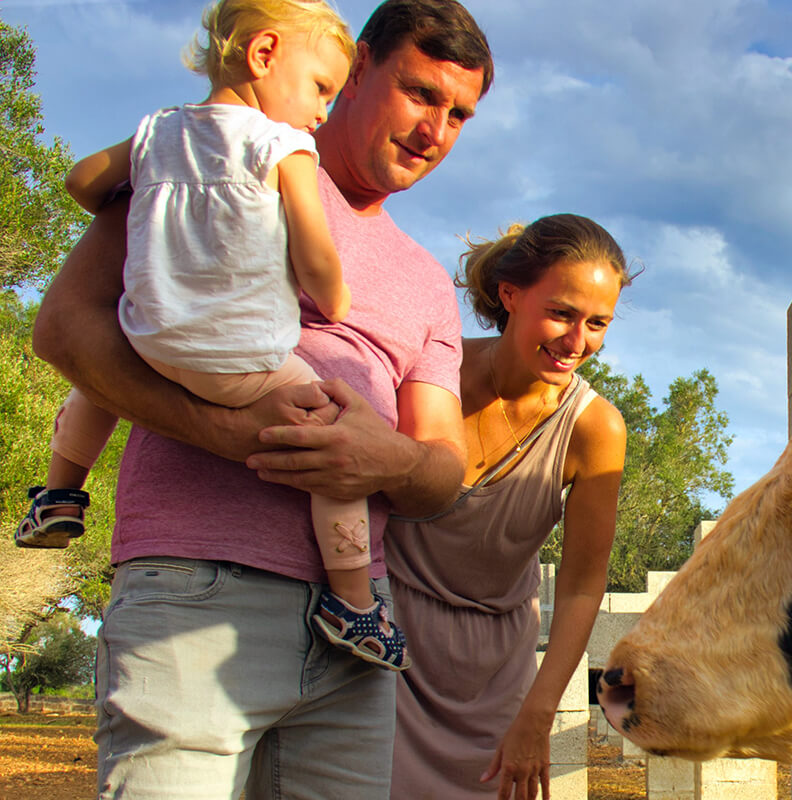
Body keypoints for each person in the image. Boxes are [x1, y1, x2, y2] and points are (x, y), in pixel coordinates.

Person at [31, 0, 493, 796]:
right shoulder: (209, 154)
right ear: (354, 74)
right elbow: (66, 331)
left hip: (359, 631)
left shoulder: (425, 279)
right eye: (421, 93)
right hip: (195, 588)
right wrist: (259, 439)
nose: (436, 129)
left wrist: (390, 458)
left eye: (459, 115)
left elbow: (445, 470)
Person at [17, 0, 410, 672]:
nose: (322, 110)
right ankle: (353, 604)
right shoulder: (283, 146)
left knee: (96, 387)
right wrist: (335, 296)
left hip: (145, 339)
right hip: (236, 360)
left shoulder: (158, 132)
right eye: (320, 88)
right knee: (334, 441)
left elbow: (80, 179)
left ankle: (58, 494)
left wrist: (142, 201)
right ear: (264, 55)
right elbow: (316, 258)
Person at [386, 213, 633, 800]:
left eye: (598, 324)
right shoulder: (429, 367)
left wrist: (536, 715)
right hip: (381, 642)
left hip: (494, 678)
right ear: (510, 294)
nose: (578, 343)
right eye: (562, 314)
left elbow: (580, 584)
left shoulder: (595, 429)